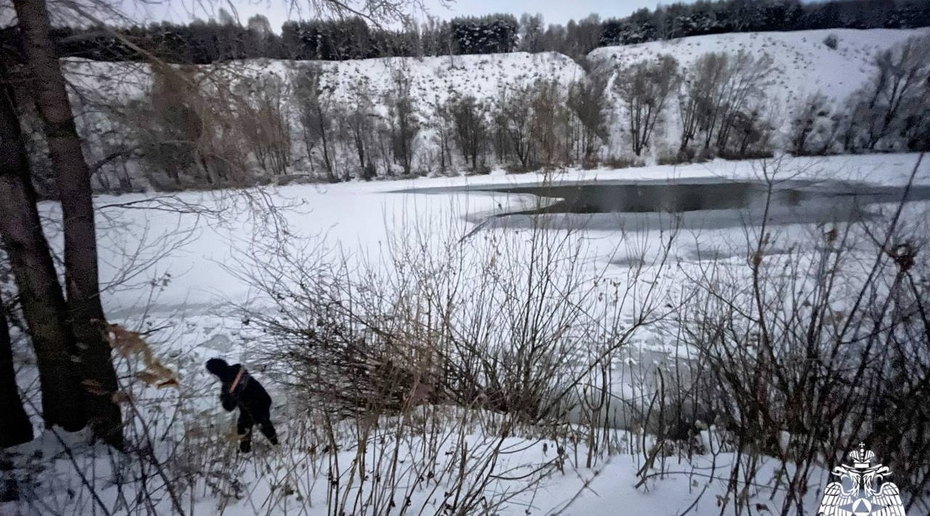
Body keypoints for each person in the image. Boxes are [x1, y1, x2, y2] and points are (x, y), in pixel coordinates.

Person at [205, 358, 278, 453]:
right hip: (262, 400)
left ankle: (272, 446)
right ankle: (272, 444)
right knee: (251, 424)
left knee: (258, 424)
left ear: (216, 373)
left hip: (256, 404)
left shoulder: (228, 384)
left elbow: (228, 407)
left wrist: (225, 397)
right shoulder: (237, 370)